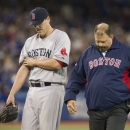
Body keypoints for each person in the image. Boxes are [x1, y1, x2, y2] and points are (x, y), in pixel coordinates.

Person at [6, 7, 71, 130]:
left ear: (48, 19)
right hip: (32, 91)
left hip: (52, 88)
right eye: (34, 24)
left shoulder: (61, 37)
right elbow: (24, 69)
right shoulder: (30, 41)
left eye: (39, 23)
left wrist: (35, 61)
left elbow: (58, 63)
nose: (37, 27)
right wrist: (12, 94)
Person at [64, 23, 130, 130]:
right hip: (95, 107)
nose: (100, 44)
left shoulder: (126, 52)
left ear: (111, 37)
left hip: (118, 106)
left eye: (103, 41)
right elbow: (76, 76)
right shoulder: (88, 53)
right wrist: (70, 96)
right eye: (97, 41)